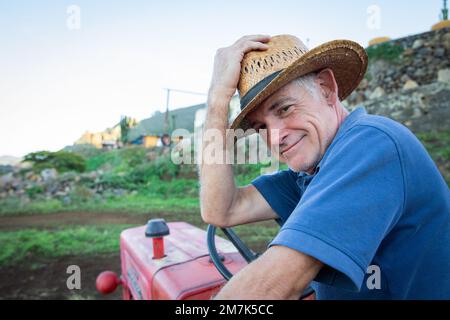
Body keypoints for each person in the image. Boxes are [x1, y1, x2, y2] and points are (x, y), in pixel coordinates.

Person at [199, 34, 450, 299]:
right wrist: (217, 101)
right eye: (261, 127)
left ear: (327, 88)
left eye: (284, 109)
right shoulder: (308, 176)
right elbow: (220, 209)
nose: (275, 137)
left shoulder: (373, 144)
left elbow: (274, 286)